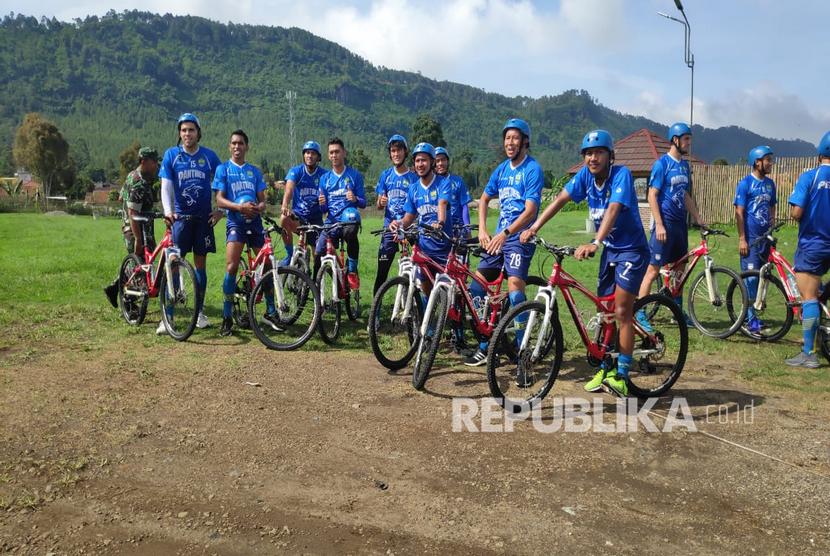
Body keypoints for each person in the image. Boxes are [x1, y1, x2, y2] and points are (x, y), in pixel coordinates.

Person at [521, 130, 649, 397]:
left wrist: (596, 242)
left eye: (599, 152)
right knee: (605, 312)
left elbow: (614, 208)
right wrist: (534, 227)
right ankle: (606, 365)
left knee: (622, 312)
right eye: (588, 153)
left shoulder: (621, 174)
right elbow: (560, 200)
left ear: (609, 156)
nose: (593, 158)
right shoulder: (585, 178)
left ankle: (623, 376)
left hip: (631, 251)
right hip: (611, 251)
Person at [464, 118, 543, 367]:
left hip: (518, 238)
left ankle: (523, 351)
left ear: (524, 141)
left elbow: (531, 210)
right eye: (507, 138)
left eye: (514, 138)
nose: (510, 143)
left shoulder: (532, 169)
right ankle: (487, 343)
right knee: (476, 288)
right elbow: (484, 199)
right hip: (498, 237)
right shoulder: (501, 170)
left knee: (516, 288)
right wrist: (484, 229)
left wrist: (506, 233)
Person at [159, 113, 223, 334]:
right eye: (184, 130)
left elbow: (223, 183)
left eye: (191, 130)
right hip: (181, 220)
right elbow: (166, 186)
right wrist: (168, 211)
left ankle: (199, 312)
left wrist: (221, 210)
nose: (187, 134)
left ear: (198, 132)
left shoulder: (209, 156)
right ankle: (168, 316)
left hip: (203, 220)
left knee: (200, 268)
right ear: (179, 133)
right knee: (174, 265)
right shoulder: (171, 155)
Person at [636, 122, 704, 329]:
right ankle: (640, 312)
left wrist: (698, 218)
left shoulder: (684, 166)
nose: (689, 143)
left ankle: (677, 311)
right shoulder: (662, 164)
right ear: (675, 140)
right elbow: (652, 195)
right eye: (686, 139)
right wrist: (659, 224)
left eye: (690, 139)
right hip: (663, 226)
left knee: (679, 272)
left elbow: (685, 195)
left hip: (680, 227)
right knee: (652, 271)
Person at [212, 129, 276, 337]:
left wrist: (259, 207)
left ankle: (271, 311)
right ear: (230, 146)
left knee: (266, 266)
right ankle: (227, 317)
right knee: (231, 267)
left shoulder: (255, 172)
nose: (237, 146)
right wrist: (239, 208)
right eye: (233, 143)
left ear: (247, 147)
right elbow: (219, 200)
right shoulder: (223, 169)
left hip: (255, 223)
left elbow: (263, 200)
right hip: (235, 224)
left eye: (240, 143)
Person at [784, 131, 830, 368]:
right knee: (822, 291)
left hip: (813, 244)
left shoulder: (809, 177)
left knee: (808, 297)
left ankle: (808, 353)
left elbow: (797, 212)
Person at [388, 142, 452, 300]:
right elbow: (409, 217)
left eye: (423, 160)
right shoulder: (413, 188)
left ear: (432, 162)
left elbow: (442, 204)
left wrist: (440, 223)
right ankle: (428, 323)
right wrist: (399, 225)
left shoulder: (443, 183)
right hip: (424, 247)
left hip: (443, 247)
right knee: (425, 288)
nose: (420, 164)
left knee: (447, 293)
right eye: (417, 161)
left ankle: (454, 322)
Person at [104, 147, 161, 308]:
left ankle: (114, 288)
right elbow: (132, 212)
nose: (156, 165)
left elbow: (122, 195)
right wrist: (138, 238)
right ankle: (129, 301)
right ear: (144, 162)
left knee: (141, 263)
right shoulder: (138, 182)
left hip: (144, 228)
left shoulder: (135, 176)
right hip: (135, 229)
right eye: (153, 162)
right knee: (140, 265)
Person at [434, 145, 473, 353]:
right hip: (442, 237)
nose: (440, 163)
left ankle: (459, 335)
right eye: (437, 160)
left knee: (459, 287)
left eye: (443, 160)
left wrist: (466, 229)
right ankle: (436, 329)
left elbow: (465, 205)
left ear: (448, 161)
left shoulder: (457, 181)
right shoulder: (434, 183)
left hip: (457, 235)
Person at [734, 146, 777, 335]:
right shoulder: (745, 184)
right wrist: (742, 239)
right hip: (750, 240)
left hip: (765, 240)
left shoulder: (770, 184)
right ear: (757, 162)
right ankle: (750, 319)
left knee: (762, 278)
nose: (770, 163)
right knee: (750, 279)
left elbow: (772, 207)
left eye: (770, 159)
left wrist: (772, 228)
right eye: (767, 160)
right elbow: (739, 212)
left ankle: (752, 314)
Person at [316, 137, 366, 291]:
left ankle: (352, 271)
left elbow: (364, 203)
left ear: (344, 153)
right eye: (331, 152)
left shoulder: (354, 175)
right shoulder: (325, 179)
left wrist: (355, 198)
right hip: (331, 222)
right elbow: (323, 211)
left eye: (337, 152)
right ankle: (315, 287)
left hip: (348, 222)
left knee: (351, 229)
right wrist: (322, 204)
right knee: (318, 252)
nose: (334, 155)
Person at [373, 134, 418, 295]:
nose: (396, 154)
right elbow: (379, 205)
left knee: (419, 269)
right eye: (393, 151)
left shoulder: (414, 178)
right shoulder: (385, 175)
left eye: (399, 150)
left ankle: (418, 305)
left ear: (405, 152)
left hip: (410, 227)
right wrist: (381, 202)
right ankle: (375, 313)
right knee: (382, 271)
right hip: (389, 227)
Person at [281, 140, 326, 277]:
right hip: (299, 217)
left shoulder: (324, 174)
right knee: (284, 219)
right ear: (303, 155)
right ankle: (289, 254)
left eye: (313, 153)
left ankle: (315, 284)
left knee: (317, 256)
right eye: (307, 153)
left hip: (316, 220)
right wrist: (285, 205)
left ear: (318, 157)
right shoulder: (296, 171)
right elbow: (289, 188)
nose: (309, 156)